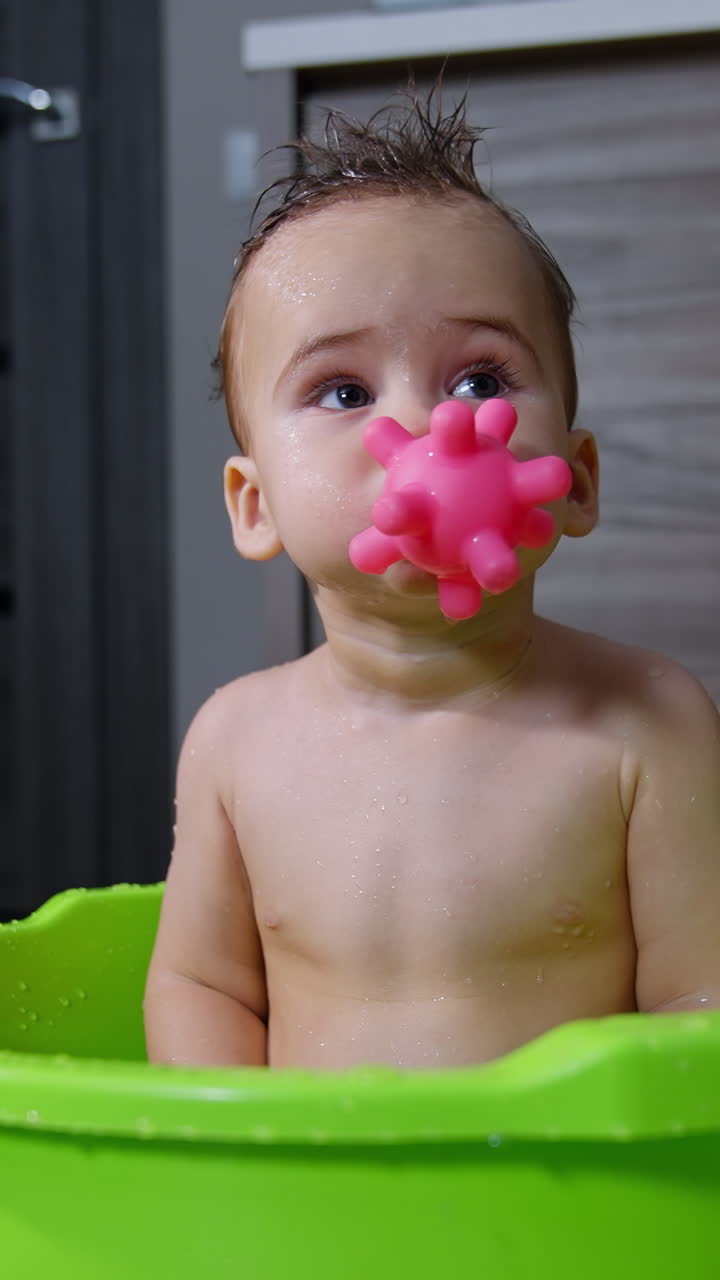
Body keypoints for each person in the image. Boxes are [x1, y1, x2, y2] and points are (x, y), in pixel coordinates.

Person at [143, 93, 720, 1070]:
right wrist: (235, 1164)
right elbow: (202, 983)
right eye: (344, 390)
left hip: (554, 1209)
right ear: (257, 505)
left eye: (480, 380)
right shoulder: (235, 741)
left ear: (576, 479)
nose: (425, 425)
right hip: (319, 1205)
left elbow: (698, 996)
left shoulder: (648, 721)